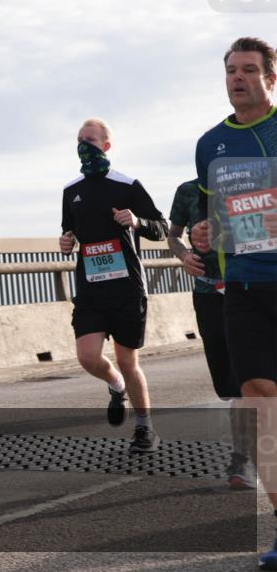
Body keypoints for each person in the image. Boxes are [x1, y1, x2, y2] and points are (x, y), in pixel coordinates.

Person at [190, 36, 277, 570]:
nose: (237, 78)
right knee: (258, 396)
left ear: (272, 75)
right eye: (230, 70)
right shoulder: (209, 144)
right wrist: (203, 236)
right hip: (242, 287)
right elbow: (214, 218)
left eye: (248, 69)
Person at [59, 118, 168, 453]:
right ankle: (115, 384)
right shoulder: (71, 191)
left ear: (106, 145)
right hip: (91, 290)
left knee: (127, 360)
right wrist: (66, 241)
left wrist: (136, 221)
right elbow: (69, 232)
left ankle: (145, 429)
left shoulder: (127, 185)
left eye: (90, 139)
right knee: (88, 357)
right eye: (79, 139)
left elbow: (161, 227)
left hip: (126, 289)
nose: (83, 145)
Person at [167, 179, 254, 489]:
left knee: (251, 379)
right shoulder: (188, 191)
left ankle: (240, 459)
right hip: (209, 295)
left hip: (253, 291)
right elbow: (173, 235)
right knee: (231, 384)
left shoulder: (254, 184)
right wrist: (183, 255)